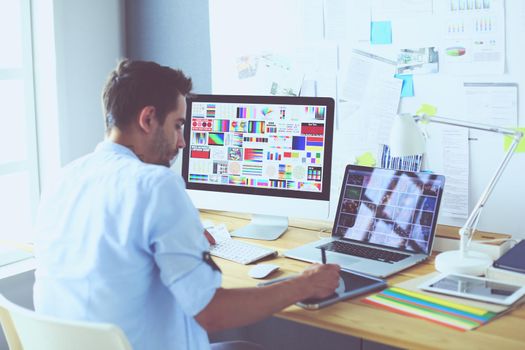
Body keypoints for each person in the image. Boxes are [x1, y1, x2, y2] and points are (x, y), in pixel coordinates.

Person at [33, 59, 340, 350]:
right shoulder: (155, 185)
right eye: (178, 125)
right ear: (148, 118)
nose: (182, 142)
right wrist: (303, 284)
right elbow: (211, 313)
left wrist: (186, 241)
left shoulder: (62, 180)